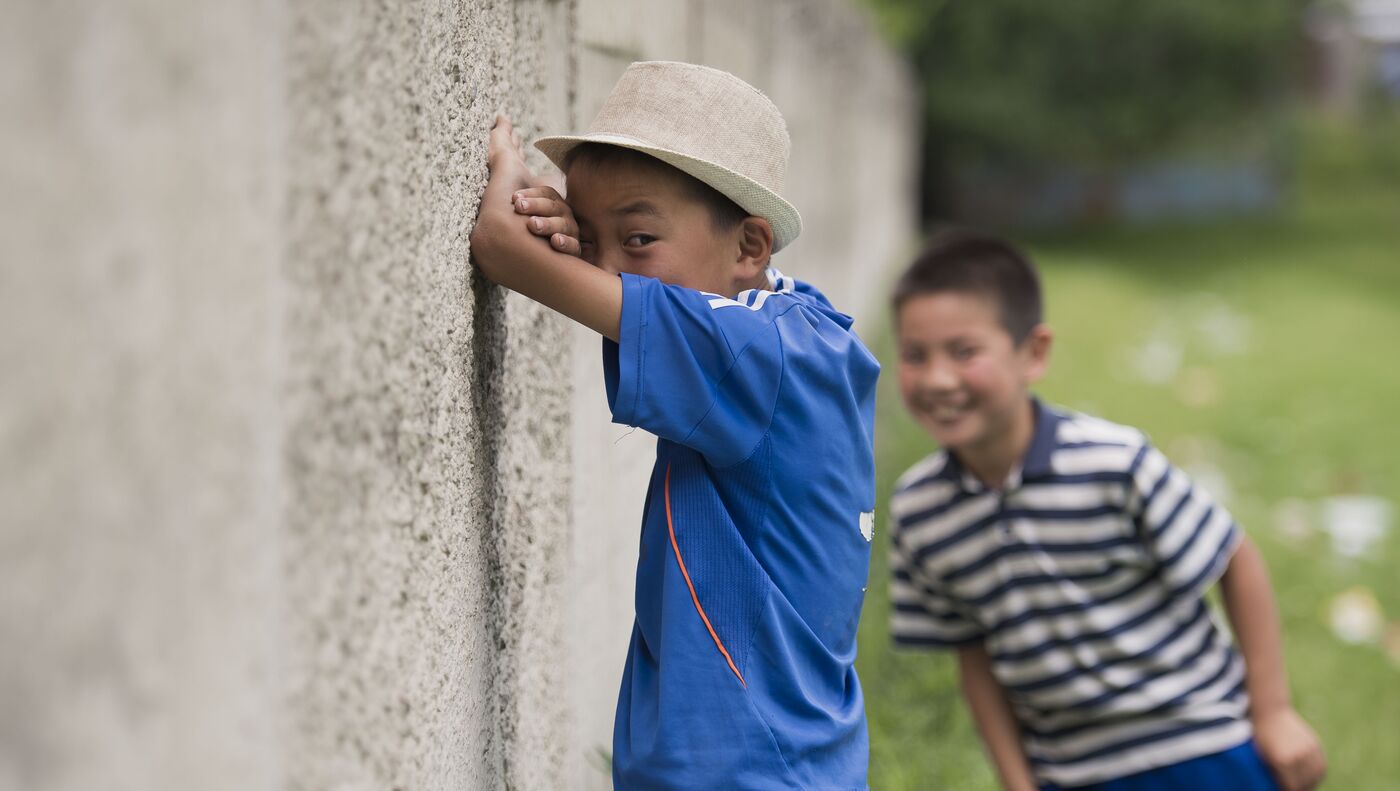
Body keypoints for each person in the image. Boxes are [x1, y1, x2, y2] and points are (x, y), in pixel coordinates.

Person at [470, 61, 878, 790]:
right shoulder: (796, 329)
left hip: (739, 767)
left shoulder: (749, 355)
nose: (604, 267)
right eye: (591, 235)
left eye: (637, 241)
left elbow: (502, 246)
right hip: (787, 756)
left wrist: (509, 175)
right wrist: (604, 242)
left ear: (750, 246)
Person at [886, 231, 1327, 791]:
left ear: (1034, 353)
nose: (937, 379)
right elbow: (972, 655)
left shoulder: (1114, 462)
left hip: (1203, 744)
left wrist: (1273, 713)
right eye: (914, 355)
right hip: (1075, 773)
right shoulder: (919, 511)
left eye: (964, 352)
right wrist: (1018, 782)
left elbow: (1233, 557)